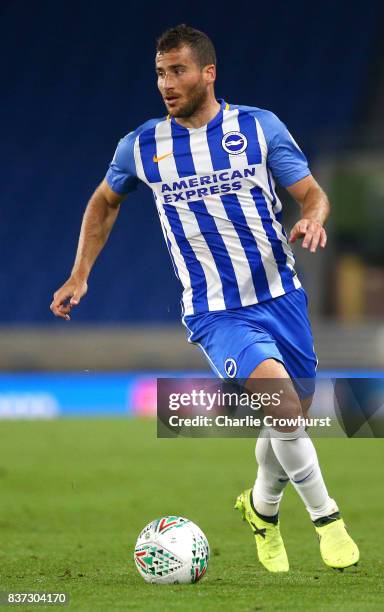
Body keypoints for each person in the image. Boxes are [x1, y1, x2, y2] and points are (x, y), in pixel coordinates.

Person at [50, 24, 359, 572]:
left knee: (288, 422)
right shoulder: (141, 145)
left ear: (208, 73)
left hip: (282, 297)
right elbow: (103, 202)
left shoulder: (258, 128)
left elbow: (311, 193)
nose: (167, 83)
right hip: (215, 310)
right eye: (160, 73)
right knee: (283, 408)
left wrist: (312, 218)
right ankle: (327, 520)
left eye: (178, 71)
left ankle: (261, 510)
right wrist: (81, 273)